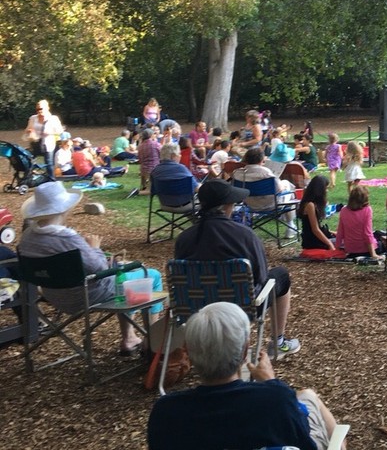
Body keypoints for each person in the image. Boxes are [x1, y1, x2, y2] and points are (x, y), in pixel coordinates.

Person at [146, 302, 337, 450]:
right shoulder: (275, 400)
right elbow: (303, 440)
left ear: (189, 353)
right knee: (309, 397)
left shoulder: (166, 413)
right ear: (245, 351)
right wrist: (272, 382)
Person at [18, 182, 162, 355]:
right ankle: (153, 343)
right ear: (65, 209)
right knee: (151, 276)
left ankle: (130, 338)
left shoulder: (27, 237)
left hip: (53, 295)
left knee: (124, 278)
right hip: (87, 295)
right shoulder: (67, 238)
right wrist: (94, 247)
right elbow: (99, 267)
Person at [176, 180, 301, 356]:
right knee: (281, 275)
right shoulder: (244, 236)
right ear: (226, 206)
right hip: (241, 307)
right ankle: (278, 341)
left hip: (196, 308)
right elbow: (261, 277)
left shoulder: (184, 238)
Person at [233, 146, 298, 240]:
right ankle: (290, 225)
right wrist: (284, 186)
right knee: (288, 186)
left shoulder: (237, 173)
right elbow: (279, 189)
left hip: (249, 204)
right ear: (261, 159)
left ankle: (289, 224)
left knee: (286, 186)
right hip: (271, 204)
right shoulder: (266, 173)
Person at [337, 185, 381, 260]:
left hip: (350, 250)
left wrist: (337, 249)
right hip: (366, 250)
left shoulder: (343, 210)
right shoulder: (367, 210)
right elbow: (367, 233)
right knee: (382, 241)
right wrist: (373, 254)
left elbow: (340, 232)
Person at [298, 176, 336, 252]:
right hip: (313, 241)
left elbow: (319, 226)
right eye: (326, 188)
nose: (327, 191)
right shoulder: (310, 205)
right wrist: (330, 244)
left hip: (318, 237)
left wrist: (333, 233)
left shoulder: (314, 204)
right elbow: (315, 229)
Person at [24, 99, 64, 171]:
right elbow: (27, 129)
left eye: (41, 108)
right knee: (28, 159)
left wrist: (50, 133)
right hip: (35, 142)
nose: (39, 110)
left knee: (49, 162)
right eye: (38, 109)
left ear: (47, 108)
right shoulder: (33, 118)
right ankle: (31, 177)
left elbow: (60, 131)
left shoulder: (53, 118)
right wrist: (29, 131)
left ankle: (51, 179)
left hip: (48, 143)